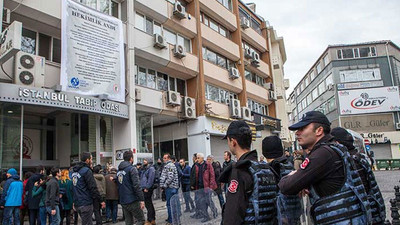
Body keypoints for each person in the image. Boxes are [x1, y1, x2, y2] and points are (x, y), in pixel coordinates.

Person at [278, 111, 371, 224]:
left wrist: (293, 176)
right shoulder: (333, 149)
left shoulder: (323, 154)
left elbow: (287, 187)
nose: (297, 133)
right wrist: (305, 181)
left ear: (319, 130)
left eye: (302, 128)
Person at [219, 121, 278, 225]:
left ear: (233, 142)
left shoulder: (240, 170)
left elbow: (232, 217)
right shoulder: (267, 169)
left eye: (228, 141)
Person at [331, 127, 386, 224]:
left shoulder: (348, 162)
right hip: (373, 210)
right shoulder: (359, 158)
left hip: (364, 214)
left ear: (337, 143)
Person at [262, 135, 302, 225]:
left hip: (279, 218)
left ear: (264, 153)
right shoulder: (289, 166)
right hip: (294, 216)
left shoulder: (268, 170)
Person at [71, 152, 105, 225]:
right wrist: (100, 200)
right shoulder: (86, 171)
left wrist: (73, 201)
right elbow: (93, 187)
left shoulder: (74, 172)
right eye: (91, 159)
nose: (92, 161)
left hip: (78, 203)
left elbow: (73, 187)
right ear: (87, 160)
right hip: (86, 202)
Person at [117, 150, 145, 225]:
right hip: (132, 199)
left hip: (123, 200)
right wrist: (141, 199)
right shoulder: (132, 169)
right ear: (131, 158)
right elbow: (136, 185)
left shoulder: (119, 170)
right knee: (141, 220)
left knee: (128, 222)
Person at [190, 153, 217, 222]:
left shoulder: (207, 165)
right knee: (201, 202)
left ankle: (214, 211)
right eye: (197, 158)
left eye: (198, 158)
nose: (197, 159)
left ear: (202, 158)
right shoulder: (196, 166)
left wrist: (210, 187)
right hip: (199, 188)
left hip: (206, 187)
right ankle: (206, 216)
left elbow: (212, 176)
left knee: (208, 201)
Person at [159, 153, 180, 225]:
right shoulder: (168, 165)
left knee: (170, 204)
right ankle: (172, 219)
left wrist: (164, 185)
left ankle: (172, 221)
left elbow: (170, 177)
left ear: (168, 158)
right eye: (163, 158)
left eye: (165, 158)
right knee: (172, 204)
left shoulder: (169, 165)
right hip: (171, 187)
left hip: (171, 188)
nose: (163, 159)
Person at [140, 158, 156, 225]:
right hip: (144, 188)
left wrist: (147, 187)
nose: (144, 161)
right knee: (149, 204)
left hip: (147, 189)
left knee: (148, 204)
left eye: (145, 160)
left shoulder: (151, 169)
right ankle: (152, 219)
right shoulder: (145, 168)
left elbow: (150, 179)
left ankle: (150, 220)